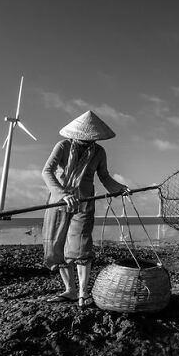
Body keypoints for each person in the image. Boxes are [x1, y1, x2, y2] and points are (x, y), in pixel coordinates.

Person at [41, 110, 128, 308]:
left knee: (80, 246)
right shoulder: (62, 146)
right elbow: (47, 171)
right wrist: (63, 194)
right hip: (59, 202)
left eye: (93, 138)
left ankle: (82, 293)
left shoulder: (99, 152)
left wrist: (119, 188)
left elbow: (104, 176)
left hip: (84, 202)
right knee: (58, 245)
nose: (90, 141)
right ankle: (70, 290)